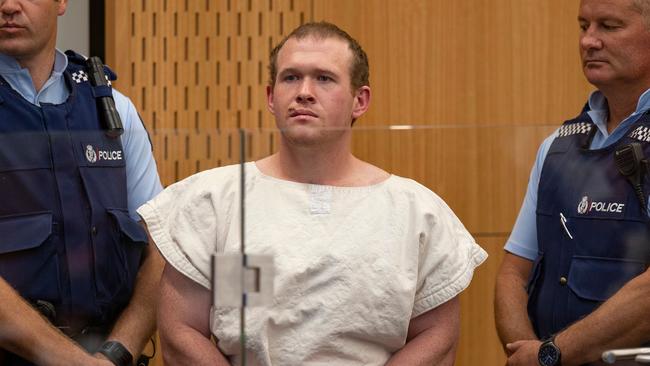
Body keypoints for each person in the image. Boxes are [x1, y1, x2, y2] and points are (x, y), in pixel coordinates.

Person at [138, 21, 487, 366]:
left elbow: (437, 338)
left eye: (324, 78)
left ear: (359, 100)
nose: (304, 91)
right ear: (271, 97)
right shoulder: (214, 201)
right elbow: (181, 334)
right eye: (291, 77)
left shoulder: (416, 212)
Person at [0, 0, 164, 365]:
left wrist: (117, 351)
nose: (8, 5)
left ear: (61, 2)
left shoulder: (114, 110)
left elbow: (161, 249)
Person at [494, 0, 650, 365]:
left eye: (609, 26)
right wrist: (527, 353)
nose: (588, 41)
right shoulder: (556, 146)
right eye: (584, 26)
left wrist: (551, 354)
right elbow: (513, 274)